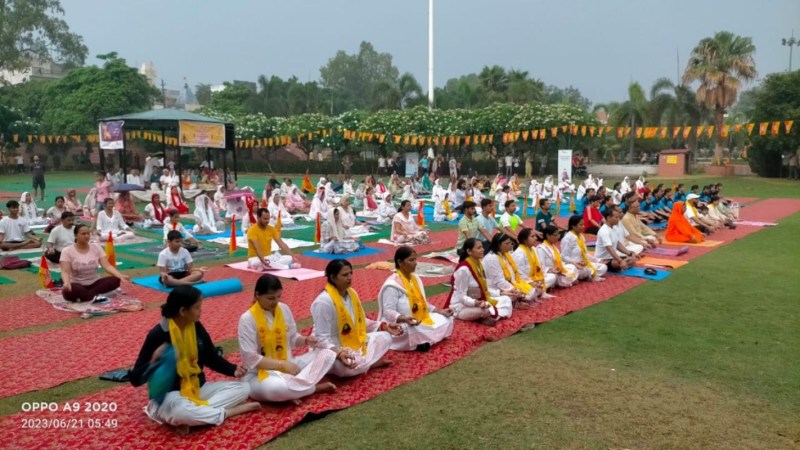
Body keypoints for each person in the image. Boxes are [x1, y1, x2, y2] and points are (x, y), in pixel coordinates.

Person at [130, 286, 259, 433]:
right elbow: (135, 379)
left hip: (196, 387)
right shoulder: (158, 334)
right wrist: (153, 362)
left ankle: (194, 417)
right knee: (180, 411)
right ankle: (227, 412)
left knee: (243, 388)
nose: (201, 311)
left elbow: (210, 356)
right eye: (197, 307)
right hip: (169, 395)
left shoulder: (195, 326)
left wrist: (232, 369)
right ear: (183, 311)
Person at [238, 274, 337, 403]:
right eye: (271, 298)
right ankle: (312, 388)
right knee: (276, 389)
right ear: (257, 295)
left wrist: (306, 340)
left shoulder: (284, 309)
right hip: (261, 374)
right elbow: (251, 358)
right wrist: (282, 364)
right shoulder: (247, 319)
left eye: (279, 297)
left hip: (290, 365)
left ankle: (294, 390)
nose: (276, 302)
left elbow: (292, 339)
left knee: (327, 354)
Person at [311, 259, 401, 377]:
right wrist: (339, 353)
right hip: (332, 346)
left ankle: (363, 364)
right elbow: (321, 339)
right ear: (333, 278)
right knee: (342, 368)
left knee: (386, 337)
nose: (349, 277)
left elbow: (361, 322)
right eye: (344, 275)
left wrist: (385, 326)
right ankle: (367, 363)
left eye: (350, 273)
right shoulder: (323, 302)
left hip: (354, 341)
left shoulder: (352, 293)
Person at [377, 247, 454, 351]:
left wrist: (440, 311)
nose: (415, 263)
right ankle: (420, 342)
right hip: (402, 323)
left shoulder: (415, 279)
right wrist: (404, 318)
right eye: (411, 260)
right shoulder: (392, 285)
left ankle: (422, 342)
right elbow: (388, 311)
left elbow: (422, 303)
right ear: (400, 262)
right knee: (409, 328)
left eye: (415, 259)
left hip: (419, 318)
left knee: (447, 319)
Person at [444, 238, 514, 325]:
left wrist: (501, 293)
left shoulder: (478, 264)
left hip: (479, 300)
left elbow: (483, 289)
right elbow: (461, 296)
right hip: (461, 306)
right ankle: (485, 316)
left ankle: (488, 317)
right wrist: (475, 303)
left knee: (506, 299)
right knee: (485, 310)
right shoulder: (463, 270)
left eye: (482, 247)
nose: (483, 250)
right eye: (479, 248)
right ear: (469, 251)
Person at [60, 224, 128, 302]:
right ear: (76, 235)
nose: (86, 236)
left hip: (95, 283)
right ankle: (95, 296)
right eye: (83, 234)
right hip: (77, 284)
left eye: (88, 233)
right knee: (72, 290)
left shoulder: (96, 247)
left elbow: (107, 266)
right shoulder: (67, 251)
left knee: (115, 280)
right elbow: (65, 271)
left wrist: (120, 275)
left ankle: (88, 296)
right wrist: (66, 283)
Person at [483, 233, 540, 303]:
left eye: (510, 243)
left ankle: (520, 298)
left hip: (513, 283)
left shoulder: (507, 254)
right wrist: (514, 289)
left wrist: (530, 282)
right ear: (499, 245)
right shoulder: (492, 258)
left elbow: (517, 272)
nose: (510, 245)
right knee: (525, 294)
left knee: (535, 289)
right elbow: (499, 281)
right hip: (497, 288)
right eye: (507, 243)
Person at [560, 216, 607, 281]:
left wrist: (598, 260)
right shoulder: (568, 238)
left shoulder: (581, 236)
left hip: (584, 264)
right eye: (581, 225)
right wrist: (575, 263)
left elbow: (585, 254)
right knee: (573, 270)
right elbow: (564, 257)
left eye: (583, 224)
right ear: (573, 226)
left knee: (603, 267)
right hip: (573, 265)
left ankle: (580, 276)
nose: (583, 226)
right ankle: (583, 275)